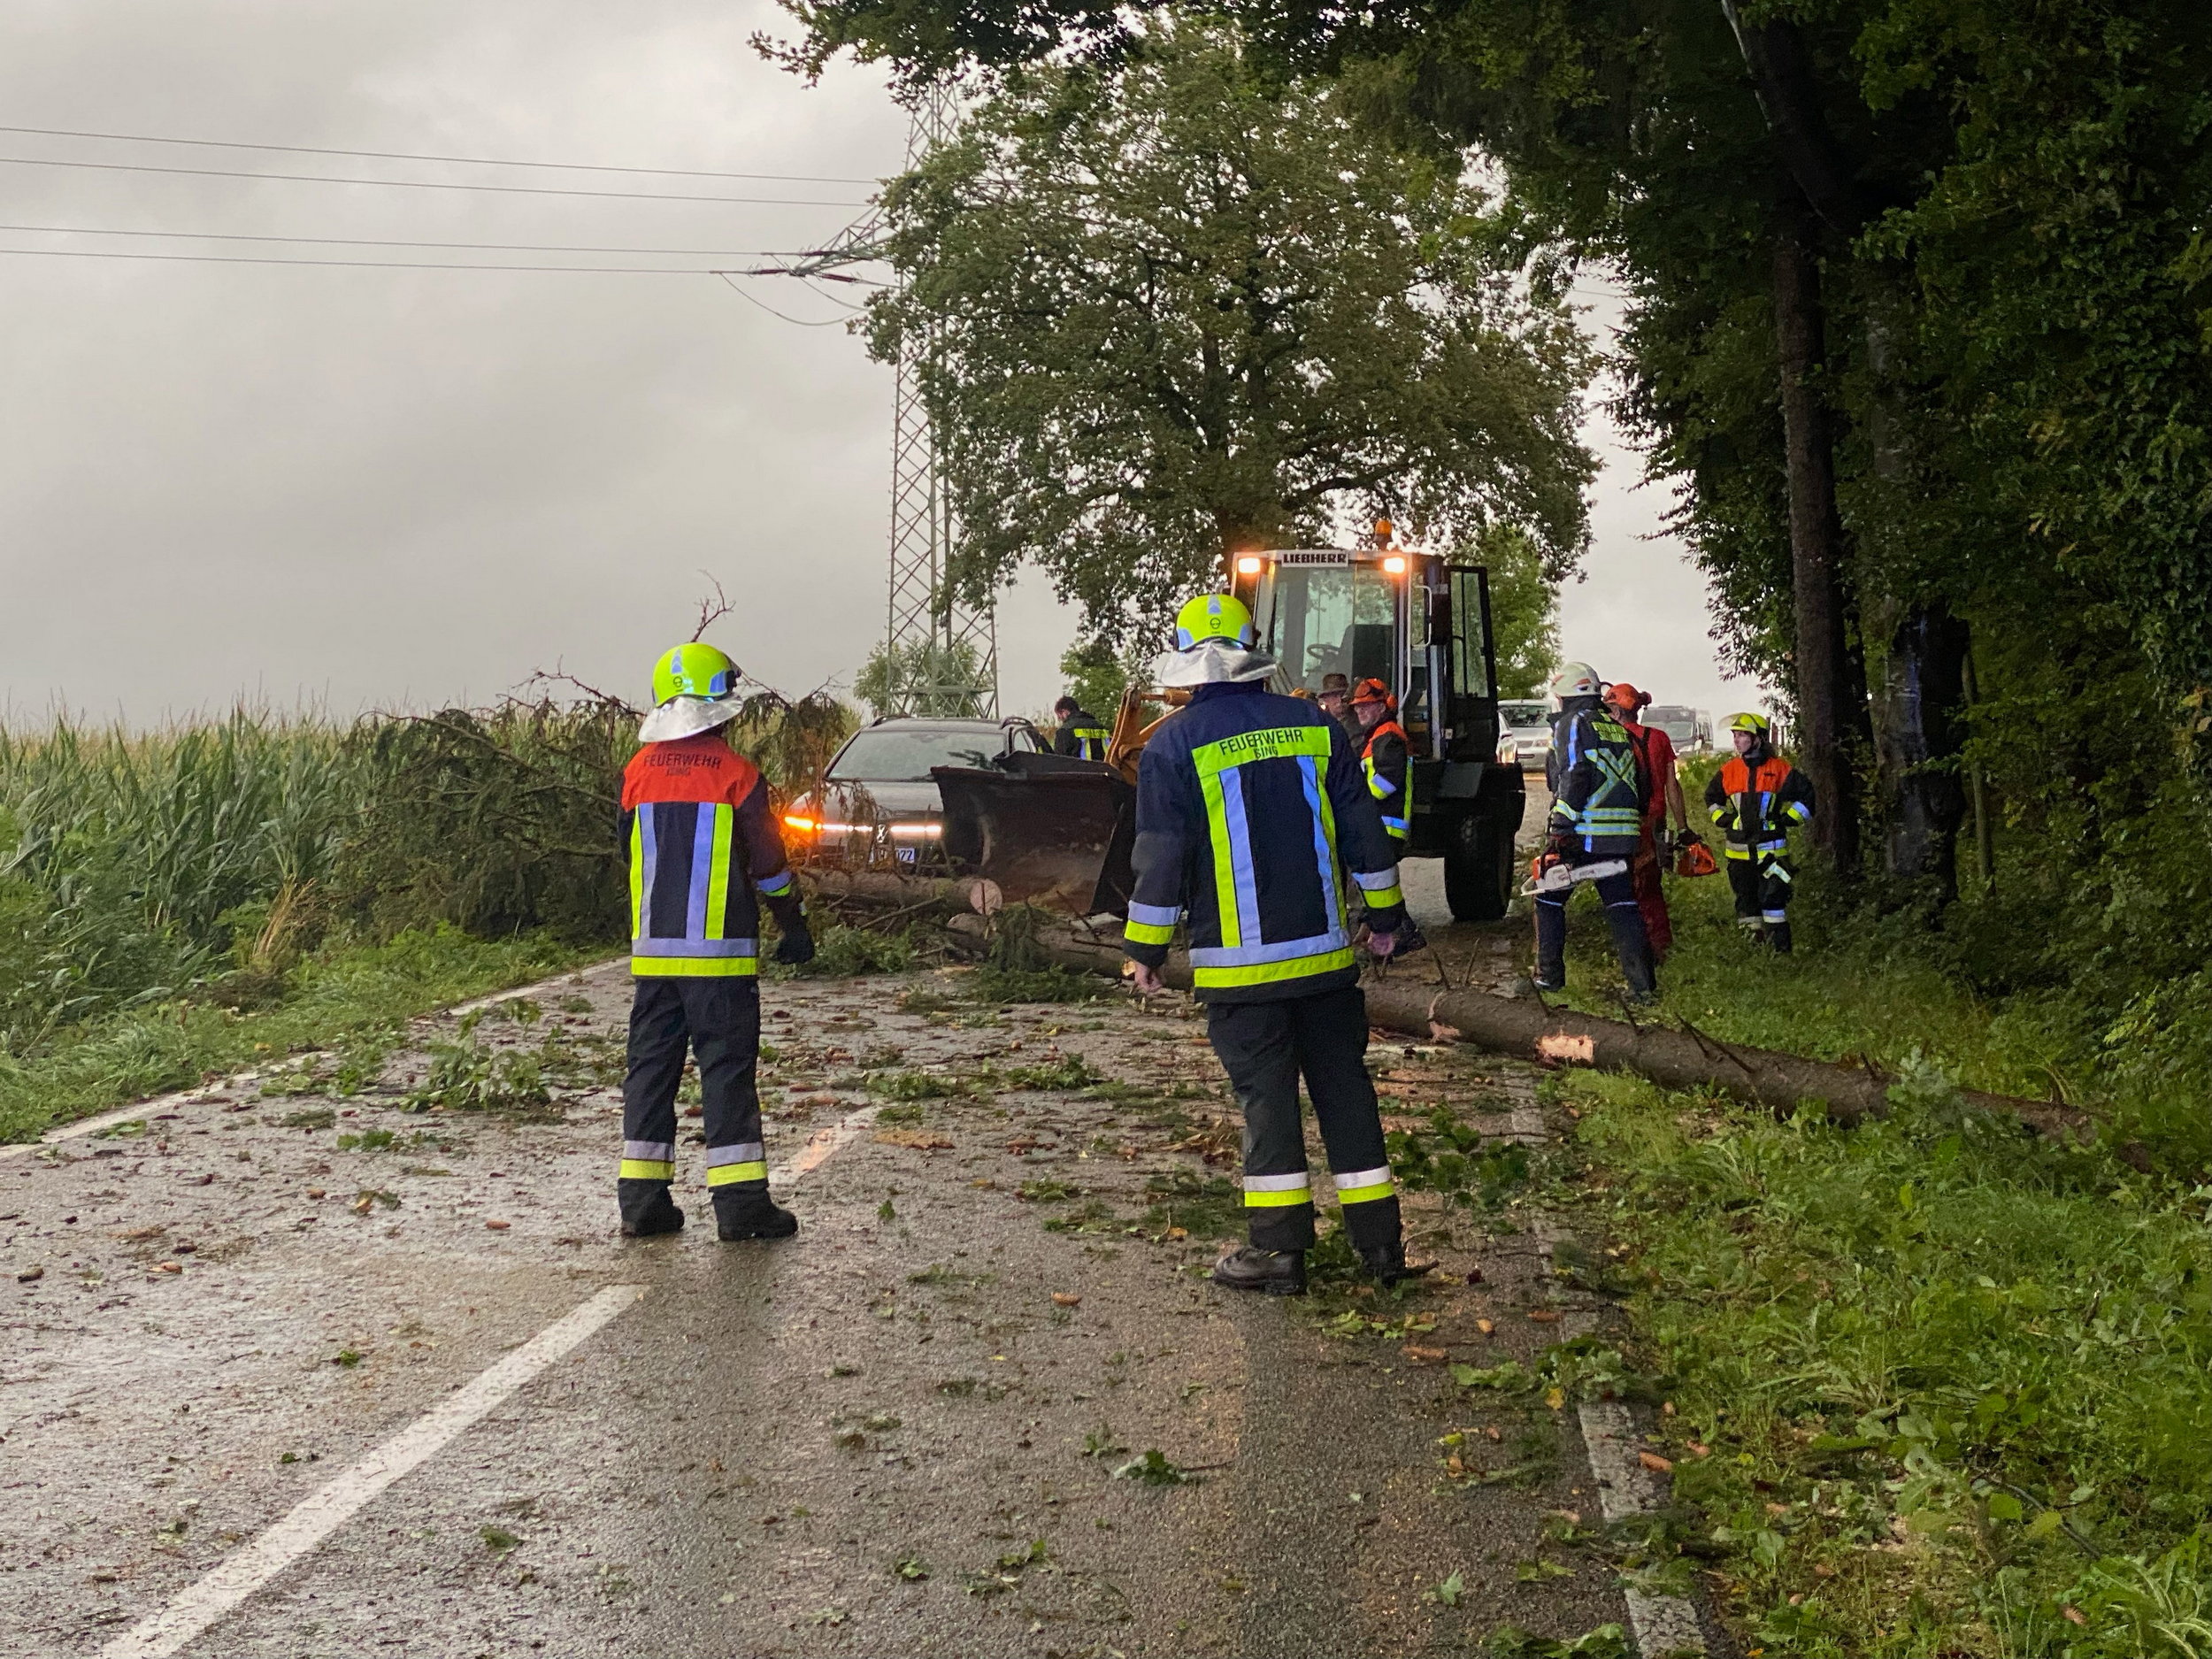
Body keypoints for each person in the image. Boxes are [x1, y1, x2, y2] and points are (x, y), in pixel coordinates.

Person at [1124, 592, 1420, 1296]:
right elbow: (1367, 838)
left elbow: (1161, 854)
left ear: (1189, 661)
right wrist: (1385, 924)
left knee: (1269, 1102)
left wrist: (1145, 950)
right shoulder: (1317, 728)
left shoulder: (1171, 744)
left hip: (1239, 974)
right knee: (1346, 1092)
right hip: (1324, 964)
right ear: (1254, 648)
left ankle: (1280, 1253)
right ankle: (1381, 1247)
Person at [617, 641, 816, 1241]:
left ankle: (641, 1200)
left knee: (650, 1070)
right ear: (717, 706)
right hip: (720, 959)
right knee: (725, 1073)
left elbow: (627, 856)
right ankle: (741, 1205)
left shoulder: (635, 774)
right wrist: (794, 926)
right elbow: (771, 866)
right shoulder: (738, 776)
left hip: (654, 957)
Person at [1535, 663, 1658, 1002]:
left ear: (1567, 696)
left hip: (1584, 834)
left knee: (1548, 896)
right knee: (1622, 905)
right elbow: (1643, 781)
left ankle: (1549, 978)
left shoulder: (1573, 724)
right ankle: (1643, 987)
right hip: (1623, 836)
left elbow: (1574, 775)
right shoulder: (1617, 726)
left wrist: (1560, 827)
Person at [1705, 711, 1815, 952]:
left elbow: (1808, 796)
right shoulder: (1729, 770)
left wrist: (1789, 819)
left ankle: (1780, 953)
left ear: (1758, 739)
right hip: (1738, 854)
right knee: (1746, 904)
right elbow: (1712, 798)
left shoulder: (1779, 769)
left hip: (1772, 852)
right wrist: (1723, 819)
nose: (1737, 740)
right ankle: (1752, 953)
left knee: (1773, 902)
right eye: (1735, 735)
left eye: (1743, 735)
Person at [1603, 682, 1690, 959]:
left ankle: (1634, 950)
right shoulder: (1660, 738)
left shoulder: (1609, 738)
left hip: (1620, 823)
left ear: (1616, 710)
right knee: (1651, 888)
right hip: (1655, 823)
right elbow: (1672, 787)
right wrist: (1684, 827)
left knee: (1622, 887)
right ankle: (1659, 946)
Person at [1348, 678, 1410, 849]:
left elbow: (1386, 783)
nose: (1359, 711)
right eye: (1358, 707)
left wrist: (1354, 797)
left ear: (1382, 708)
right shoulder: (1377, 736)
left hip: (1383, 828)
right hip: (1378, 826)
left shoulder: (1388, 736)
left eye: (1366, 706)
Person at [1052, 695, 1110, 761]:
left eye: (1059, 716)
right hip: (1106, 770)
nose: (1060, 719)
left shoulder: (1065, 730)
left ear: (1064, 712)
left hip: (1079, 770)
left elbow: (1059, 761)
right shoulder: (1101, 727)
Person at [1316, 672, 1361, 747]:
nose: (1340, 700)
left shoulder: (1360, 723)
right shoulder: (1319, 723)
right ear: (1325, 699)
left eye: (1343, 695)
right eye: (1335, 696)